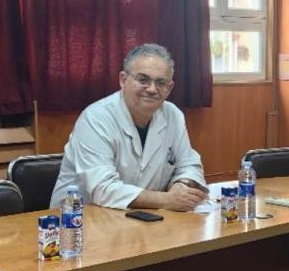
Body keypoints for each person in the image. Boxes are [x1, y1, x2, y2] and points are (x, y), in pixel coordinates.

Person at [51, 44, 207, 211]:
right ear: (123, 80)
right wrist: (167, 200)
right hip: (78, 218)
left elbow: (189, 165)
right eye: (143, 79)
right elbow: (102, 189)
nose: (152, 89)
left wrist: (181, 185)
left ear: (169, 88)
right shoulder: (96, 118)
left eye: (161, 82)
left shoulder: (173, 115)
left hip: (140, 216)